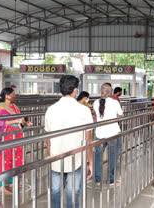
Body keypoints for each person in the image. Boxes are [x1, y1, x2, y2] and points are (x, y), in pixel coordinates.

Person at [45, 75, 94, 208]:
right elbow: (88, 139)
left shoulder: (51, 109)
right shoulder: (84, 110)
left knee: (55, 191)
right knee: (73, 191)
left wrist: (50, 154)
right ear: (76, 90)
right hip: (76, 157)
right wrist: (90, 161)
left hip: (55, 157)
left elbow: (48, 138)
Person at [0, 87, 32, 194]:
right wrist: (14, 121)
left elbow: (20, 120)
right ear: (6, 95)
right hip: (5, 137)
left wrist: (24, 124)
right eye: (13, 94)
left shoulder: (14, 107)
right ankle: (1, 186)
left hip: (16, 136)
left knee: (14, 159)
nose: (14, 96)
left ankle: (12, 182)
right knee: (3, 160)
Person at [94, 83, 123, 187]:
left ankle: (97, 180)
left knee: (98, 157)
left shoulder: (95, 102)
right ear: (110, 92)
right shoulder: (115, 102)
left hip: (99, 134)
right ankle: (111, 180)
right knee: (113, 156)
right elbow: (120, 115)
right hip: (113, 133)